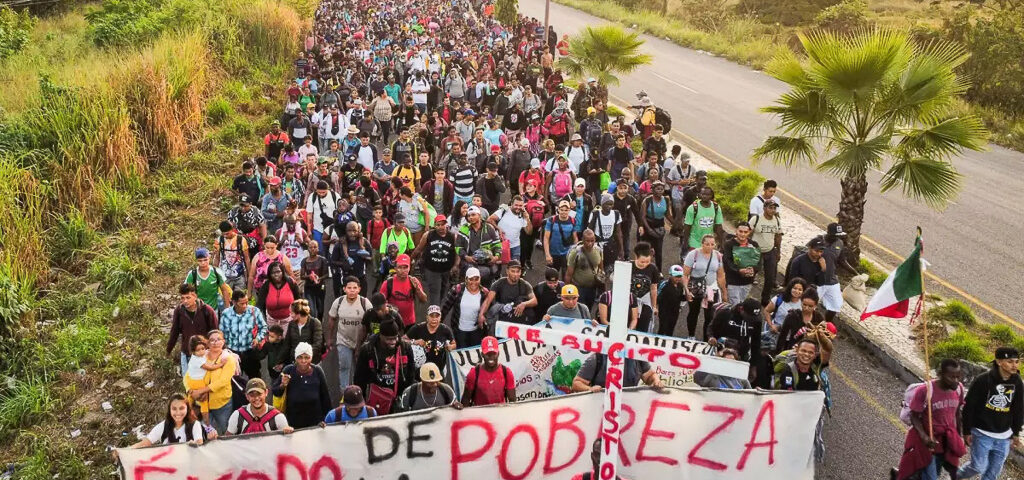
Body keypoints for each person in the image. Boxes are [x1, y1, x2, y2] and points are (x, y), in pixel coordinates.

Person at [958, 347, 1024, 480]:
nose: (1014, 365)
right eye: (1010, 361)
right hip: (982, 433)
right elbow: (969, 406)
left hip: (1004, 436)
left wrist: (1016, 433)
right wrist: (966, 430)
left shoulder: (1017, 382)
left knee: (993, 474)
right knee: (977, 467)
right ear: (999, 362)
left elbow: (1019, 409)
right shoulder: (983, 380)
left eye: (1017, 361)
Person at [896, 359, 966, 480]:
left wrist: (959, 436)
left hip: (945, 442)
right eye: (951, 377)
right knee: (931, 476)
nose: (955, 380)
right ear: (941, 374)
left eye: (958, 377)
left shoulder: (959, 389)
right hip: (927, 441)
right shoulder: (925, 391)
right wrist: (924, 436)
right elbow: (914, 416)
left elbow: (956, 414)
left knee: (935, 471)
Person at [785, 233, 853, 323]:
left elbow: (820, 282)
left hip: (808, 293)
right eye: (816, 251)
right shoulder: (798, 261)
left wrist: (823, 269)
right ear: (809, 248)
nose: (818, 254)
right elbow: (792, 279)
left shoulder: (820, 262)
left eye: (821, 252)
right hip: (797, 292)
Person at [353, 320, 418, 415]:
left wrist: (409, 398)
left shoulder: (405, 348)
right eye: (388, 339)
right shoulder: (368, 350)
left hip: (400, 397)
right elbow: (359, 379)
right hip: (377, 399)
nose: (392, 342)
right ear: (381, 336)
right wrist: (360, 403)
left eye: (394, 338)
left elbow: (411, 373)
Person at [272, 342, 331, 429]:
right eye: (300, 357)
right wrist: (283, 385)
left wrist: (326, 420)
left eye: (307, 357)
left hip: (315, 424)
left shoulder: (318, 371)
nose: (303, 361)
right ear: (296, 358)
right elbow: (276, 391)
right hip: (293, 424)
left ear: (311, 358)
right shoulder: (288, 370)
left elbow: (326, 398)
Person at [327, 276, 371, 390]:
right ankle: (345, 393)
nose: (352, 290)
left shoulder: (365, 303)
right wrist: (330, 338)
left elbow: (371, 322)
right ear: (344, 289)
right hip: (343, 340)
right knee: (344, 367)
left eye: (355, 288)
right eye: (349, 288)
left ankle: (358, 392)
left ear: (359, 289)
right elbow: (332, 319)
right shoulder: (338, 302)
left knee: (360, 369)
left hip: (361, 342)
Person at [167, 283, 219, 376]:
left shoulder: (207, 310)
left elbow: (215, 333)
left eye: (188, 298)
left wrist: (217, 351)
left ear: (195, 296)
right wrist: (168, 350)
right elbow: (174, 332)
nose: (185, 301)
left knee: (204, 380)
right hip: (187, 352)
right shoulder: (179, 311)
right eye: (182, 298)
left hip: (204, 353)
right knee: (188, 382)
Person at [412, 215, 462, 306]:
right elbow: (419, 249)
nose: (440, 227)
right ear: (434, 226)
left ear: (446, 224)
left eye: (442, 224)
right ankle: (434, 315)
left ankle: (435, 311)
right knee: (435, 293)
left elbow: (457, 253)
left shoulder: (452, 237)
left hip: (446, 270)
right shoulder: (428, 235)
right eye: (438, 225)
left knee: (442, 293)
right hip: (431, 269)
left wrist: (455, 266)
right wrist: (410, 259)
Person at [127, 393, 205, 448]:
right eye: (174, 409)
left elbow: (199, 443)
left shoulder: (195, 424)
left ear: (187, 409)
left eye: (181, 408)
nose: (178, 413)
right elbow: (146, 443)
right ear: (169, 410)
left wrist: (193, 445)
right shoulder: (164, 425)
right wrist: (125, 451)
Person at [219, 290, 266, 380]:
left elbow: (263, 327)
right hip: (233, 353)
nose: (245, 306)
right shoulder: (226, 314)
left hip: (250, 352)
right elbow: (222, 333)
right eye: (242, 303)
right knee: (234, 380)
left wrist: (258, 338)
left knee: (255, 379)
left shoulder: (254, 311)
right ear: (234, 302)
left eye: (246, 302)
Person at [226, 378, 294, 435]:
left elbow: (286, 443)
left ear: (266, 393)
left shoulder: (278, 417)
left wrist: (288, 432)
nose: (256, 398)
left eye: (259, 394)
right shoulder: (237, 415)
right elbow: (227, 439)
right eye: (252, 395)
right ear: (247, 396)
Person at [442, 267, 490, 348]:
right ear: (466, 279)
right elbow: (445, 308)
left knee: (474, 354)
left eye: (476, 279)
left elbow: (489, 311)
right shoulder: (457, 290)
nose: (474, 282)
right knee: (461, 354)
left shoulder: (484, 293)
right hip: (459, 330)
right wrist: (438, 325)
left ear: (480, 279)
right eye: (471, 279)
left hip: (477, 331)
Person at [461, 336, 516, 406]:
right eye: (488, 354)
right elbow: (466, 399)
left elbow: (512, 401)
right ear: (482, 355)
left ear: (498, 354)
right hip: (480, 414)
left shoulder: (506, 372)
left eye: (494, 354)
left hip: (501, 412)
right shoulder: (474, 373)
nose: (491, 357)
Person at [571, 351, 662, 392]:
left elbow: (650, 376)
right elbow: (576, 383)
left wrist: (656, 381)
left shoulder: (636, 357)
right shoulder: (596, 359)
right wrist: (590, 389)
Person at [480, 260, 536, 326]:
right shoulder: (499, 283)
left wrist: (524, 304)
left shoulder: (524, 284)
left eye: (518, 271)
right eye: (513, 271)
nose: (515, 274)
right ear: (507, 271)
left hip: (518, 319)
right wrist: (481, 315)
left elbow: (534, 301)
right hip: (503, 317)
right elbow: (488, 301)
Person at [749, 199, 784, 306]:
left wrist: (778, 251)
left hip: (770, 251)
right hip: (756, 251)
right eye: (770, 207)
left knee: (770, 277)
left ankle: (765, 299)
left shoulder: (776, 220)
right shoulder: (757, 218)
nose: (772, 210)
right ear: (764, 208)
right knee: (750, 274)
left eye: (774, 208)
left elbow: (778, 237)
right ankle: (746, 296)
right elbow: (748, 233)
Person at [379, 253, 428, 327]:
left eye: (405, 267)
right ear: (395, 268)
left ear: (409, 268)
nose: (402, 270)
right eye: (400, 267)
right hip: (392, 321)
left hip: (410, 321)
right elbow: (380, 303)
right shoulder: (388, 283)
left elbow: (424, 300)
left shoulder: (413, 281)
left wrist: (418, 289)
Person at [405, 305, 456, 375]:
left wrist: (450, 347)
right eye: (432, 316)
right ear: (427, 317)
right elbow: (401, 340)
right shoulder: (418, 328)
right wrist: (414, 342)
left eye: (437, 316)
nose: (434, 319)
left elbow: (454, 344)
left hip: (439, 369)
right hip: (420, 369)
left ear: (440, 318)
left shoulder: (445, 330)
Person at [708, 298, 763, 362]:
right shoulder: (725, 313)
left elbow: (756, 342)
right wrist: (711, 337)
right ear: (741, 309)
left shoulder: (757, 320)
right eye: (749, 316)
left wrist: (753, 365)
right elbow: (711, 328)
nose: (751, 320)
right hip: (720, 350)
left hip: (741, 353)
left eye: (753, 317)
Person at [722, 221, 762, 305]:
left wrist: (753, 270)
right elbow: (727, 262)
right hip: (733, 282)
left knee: (742, 304)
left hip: (747, 282)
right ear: (736, 231)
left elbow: (759, 262)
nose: (743, 234)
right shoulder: (729, 245)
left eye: (745, 232)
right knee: (735, 305)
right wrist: (739, 270)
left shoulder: (754, 245)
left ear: (749, 232)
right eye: (740, 231)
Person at [762, 278, 807, 349]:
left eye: (800, 289)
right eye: (795, 288)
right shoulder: (780, 299)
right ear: (790, 288)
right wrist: (771, 325)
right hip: (776, 333)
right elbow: (766, 311)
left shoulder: (804, 303)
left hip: (792, 338)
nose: (797, 291)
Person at [396, 362, 461, 412]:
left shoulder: (446, 390)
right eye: (430, 383)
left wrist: (456, 406)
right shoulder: (409, 393)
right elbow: (402, 417)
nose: (435, 385)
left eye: (437, 381)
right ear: (422, 380)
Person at [680, 186, 724, 259]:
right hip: (694, 241)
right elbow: (687, 226)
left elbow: (719, 226)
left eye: (707, 194)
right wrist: (685, 242)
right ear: (699, 195)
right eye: (703, 194)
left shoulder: (716, 208)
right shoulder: (693, 208)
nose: (705, 196)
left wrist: (721, 243)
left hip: (709, 242)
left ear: (712, 196)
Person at [256, 262, 300, 335]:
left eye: (278, 272)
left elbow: (298, 300)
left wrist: (297, 316)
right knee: (274, 342)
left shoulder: (290, 282)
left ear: (282, 271)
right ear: (269, 275)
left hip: (289, 319)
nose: (276, 275)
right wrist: (262, 322)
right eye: (273, 273)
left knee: (287, 341)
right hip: (271, 320)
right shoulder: (266, 285)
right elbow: (260, 305)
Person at [628, 242, 662, 333]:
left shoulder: (653, 268)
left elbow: (653, 288)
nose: (645, 264)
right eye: (642, 262)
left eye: (648, 261)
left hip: (645, 301)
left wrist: (654, 306)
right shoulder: (628, 266)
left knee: (643, 327)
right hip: (629, 300)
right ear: (636, 257)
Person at [487, 196, 532, 265]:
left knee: (515, 266)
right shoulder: (504, 211)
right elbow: (489, 219)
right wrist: (498, 228)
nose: (518, 207)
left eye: (520, 205)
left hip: (515, 245)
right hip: (500, 244)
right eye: (516, 205)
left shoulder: (523, 215)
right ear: (511, 204)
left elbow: (529, 232)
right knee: (498, 266)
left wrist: (528, 219)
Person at [565, 230, 603, 308]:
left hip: (592, 287)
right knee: (580, 309)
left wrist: (601, 284)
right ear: (582, 239)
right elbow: (568, 274)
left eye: (592, 241)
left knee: (588, 309)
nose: (590, 243)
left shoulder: (599, 250)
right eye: (587, 241)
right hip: (579, 288)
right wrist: (567, 293)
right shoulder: (575, 253)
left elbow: (601, 268)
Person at [214, 221, 252, 295]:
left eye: (227, 233)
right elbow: (217, 258)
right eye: (223, 234)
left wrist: (249, 275)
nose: (225, 236)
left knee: (240, 297)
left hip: (240, 276)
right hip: (224, 276)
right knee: (225, 298)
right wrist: (215, 274)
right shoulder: (219, 240)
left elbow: (247, 258)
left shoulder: (241, 240)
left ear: (232, 229)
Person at [545, 200, 578, 274]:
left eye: (566, 210)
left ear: (569, 210)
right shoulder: (551, 220)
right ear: (558, 209)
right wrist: (547, 255)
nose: (564, 212)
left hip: (567, 253)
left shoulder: (573, 221)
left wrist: (575, 253)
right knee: (552, 276)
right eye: (562, 210)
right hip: (553, 253)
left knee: (566, 275)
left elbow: (575, 238)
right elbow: (546, 238)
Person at [656, 265, 687, 337]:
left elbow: (679, 297)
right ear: (670, 275)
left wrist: (687, 297)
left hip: (675, 311)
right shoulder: (664, 284)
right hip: (664, 310)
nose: (678, 278)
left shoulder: (680, 286)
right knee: (663, 328)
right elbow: (657, 296)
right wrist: (656, 307)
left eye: (680, 276)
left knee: (671, 328)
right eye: (676, 276)